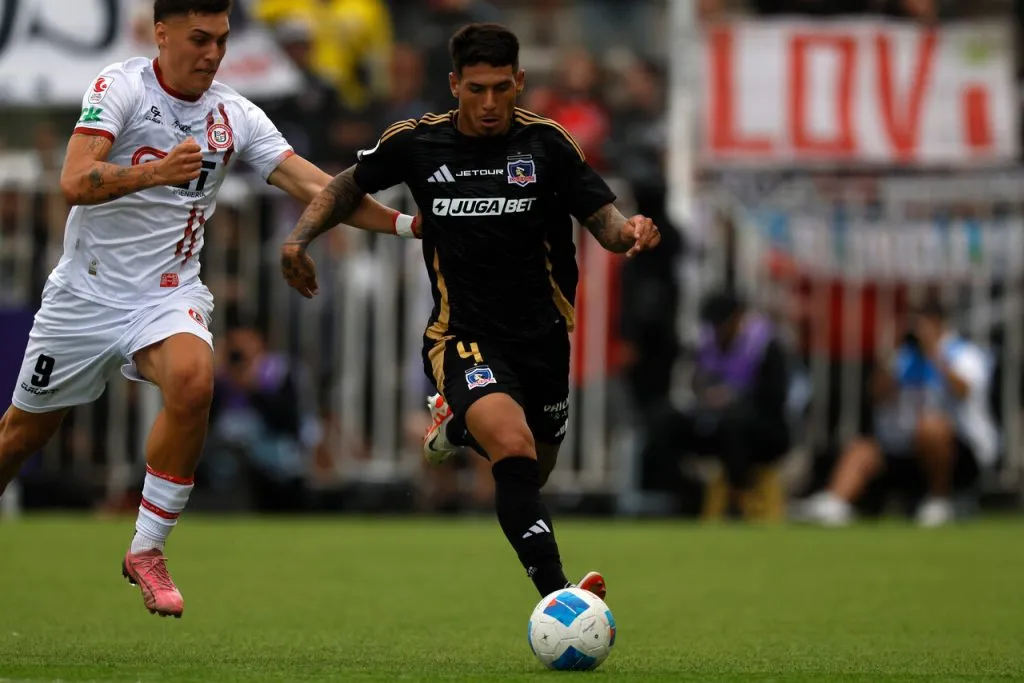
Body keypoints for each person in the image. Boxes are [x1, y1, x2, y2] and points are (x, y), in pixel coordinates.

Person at [0, 0, 418, 618]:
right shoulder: (119, 86)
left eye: (221, 39)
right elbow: (73, 180)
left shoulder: (235, 114)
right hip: (84, 296)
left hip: (168, 293)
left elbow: (320, 188)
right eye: (199, 38)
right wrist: (157, 173)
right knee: (21, 436)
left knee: (195, 382)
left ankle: (146, 549)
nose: (212, 53)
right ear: (161, 34)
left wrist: (413, 226)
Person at [280, 23, 661, 603]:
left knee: (531, 472)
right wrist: (297, 241)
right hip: (462, 334)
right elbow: (343, 188)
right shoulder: (417, 142)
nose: (489, 104)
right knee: (511, 446)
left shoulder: (549, 145)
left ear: (520, 83)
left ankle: (454, 424)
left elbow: (606, 225)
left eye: (502, 89)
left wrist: (632, 231)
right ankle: (558, 598)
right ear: (455, 84)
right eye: (476, 89)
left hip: (543, 337)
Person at [798, 297, 997, 527]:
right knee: (862, 449)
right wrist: (890, 352)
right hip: (906, 450)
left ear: (938, 323)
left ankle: (940, 500)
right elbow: (875, 396)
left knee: (931, 428)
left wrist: (934, 352)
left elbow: (963, 391)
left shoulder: (964, 354)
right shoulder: (903, 357)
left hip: (958, 453)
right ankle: (835, 502)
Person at [640, 291, 791, 515]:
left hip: (761, 429)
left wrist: (733, 398)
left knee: (735, 427)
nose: (718, 330)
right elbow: (693, 383)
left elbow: (774, 398)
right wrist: (704, 395)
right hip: (715, 421)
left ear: (738, 318)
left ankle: (737, 502)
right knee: (664, 420)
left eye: (723, 323)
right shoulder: (705, 343)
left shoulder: (765, 345)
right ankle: (670, 498)